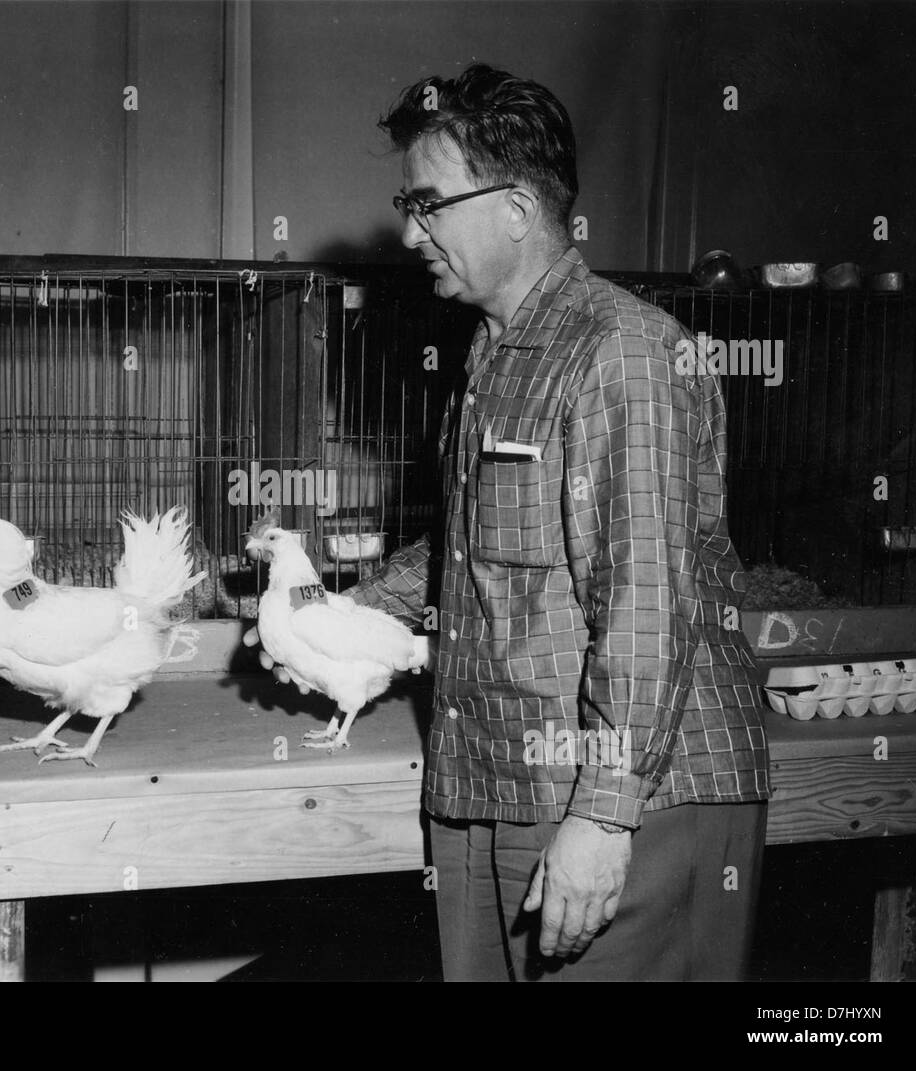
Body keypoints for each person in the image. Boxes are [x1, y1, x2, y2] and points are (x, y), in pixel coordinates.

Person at [251, 65, 770, 981]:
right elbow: (473, 545)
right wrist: (322, 611)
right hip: (501, 778)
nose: (410, 231)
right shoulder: (494, 354)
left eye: (429, 203)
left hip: (629, 797)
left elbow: (647, 597)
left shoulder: (625, 353)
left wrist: (604, 818)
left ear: (519, 209)